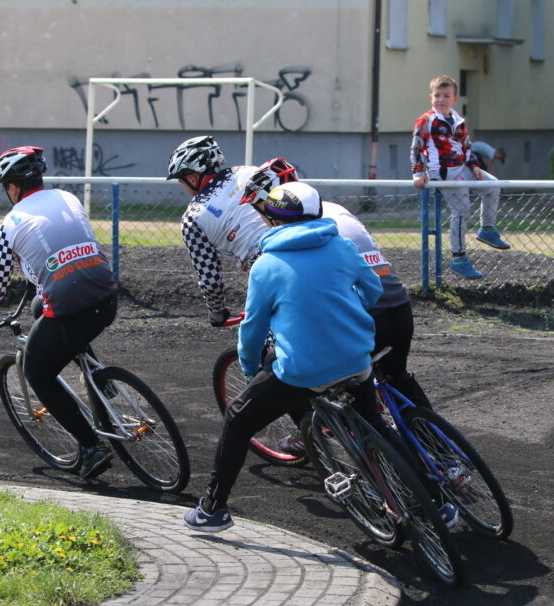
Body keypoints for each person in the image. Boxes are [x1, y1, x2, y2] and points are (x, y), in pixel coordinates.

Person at [183, 182, 385, 532]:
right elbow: (373, 290)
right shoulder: (342, 246)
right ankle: (425, 498)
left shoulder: (267, 265)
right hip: (357, 358)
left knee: (237, 418)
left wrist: (250, 371)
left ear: (271, 220)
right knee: (376, 428)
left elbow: (252, 333)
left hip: (301, 370)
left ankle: (212, 509)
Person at [241, 157, 432, 420]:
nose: (260, 217)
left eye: (258, 208)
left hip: (367, 317)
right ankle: (442, 456)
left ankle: (314, 433)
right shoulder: (333, 210)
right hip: (398, 305)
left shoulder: (296, 232)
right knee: (397, 377)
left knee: (313, 368)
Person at [0, 146, 119, 480]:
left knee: (38, 373)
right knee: (40, 304)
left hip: (69, 311)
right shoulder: (68, 198)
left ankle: (92, 447)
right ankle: (98, 381)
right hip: (107, 296)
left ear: (12, 187)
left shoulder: (11, 223)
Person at [411, 75, 511, 280]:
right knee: (461, 209)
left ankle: (487, 229)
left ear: (454, 99)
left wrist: (474, 166)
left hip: (462, 167)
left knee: (493, 186)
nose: (441, 100)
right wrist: (418, 173)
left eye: (445, 96)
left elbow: (466, 147)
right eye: (437, 95)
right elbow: (417, 147)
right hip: (444, 171)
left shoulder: (458, 120)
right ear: (431, 97)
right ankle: (458, 258)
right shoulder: (426, 120)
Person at [166, 135, 272, 327]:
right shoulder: (248, 171)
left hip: (267, 267)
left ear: (192, 177)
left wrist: (217, 312)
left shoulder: (192, 217)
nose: (182, 187)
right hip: (305, 239)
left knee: (260, 343)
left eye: (181, 181)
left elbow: (210, 279)